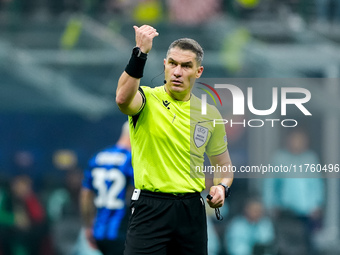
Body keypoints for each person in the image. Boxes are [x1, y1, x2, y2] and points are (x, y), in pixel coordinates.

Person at [115, 25, 233, 255]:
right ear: (165, 65)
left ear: (198, 71)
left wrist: (221, 187)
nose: (177, 71)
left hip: (191, 211)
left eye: (186, 66)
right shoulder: (147, 99)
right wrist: (140, 53)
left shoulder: (209, 114)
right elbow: (121, 99)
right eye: (173, 64)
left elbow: (223, 167)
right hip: (150, 208)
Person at [263, 128, 324, 255]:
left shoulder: (310, 158)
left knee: (306, 246)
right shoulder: (279, 158)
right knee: (285, 245)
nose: (298, 143)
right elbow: (270, 183)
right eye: (295, 140)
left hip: (307, 212)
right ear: (288, 141)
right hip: (285, 211)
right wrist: (270, 204)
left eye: (301, 140)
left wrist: (317, 204)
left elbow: (317, 183)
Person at [80, 121, 133, 255]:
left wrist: (87, 226)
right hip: (122, 231)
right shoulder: (131, 159)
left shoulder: (97, 158)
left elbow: (85, 195)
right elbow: (133, 194)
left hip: (98, 231)